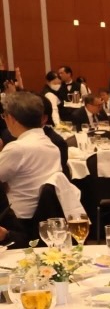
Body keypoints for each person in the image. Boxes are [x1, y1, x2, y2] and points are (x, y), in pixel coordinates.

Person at [0, 91, 63, 220]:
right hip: (42, 217)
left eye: (4, 116)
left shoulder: (17, 148)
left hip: (16, 220)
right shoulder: (52, 146)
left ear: (12, 118)